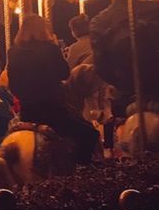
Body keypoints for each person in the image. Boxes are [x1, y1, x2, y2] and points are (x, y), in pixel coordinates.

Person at [6, 14, 99, 164]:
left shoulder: (13, 51)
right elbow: (65, 73)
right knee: (90, 134)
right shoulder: (50, 48)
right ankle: (81, 170)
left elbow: (13, 84)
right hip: (52, 110)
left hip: (27, 112)